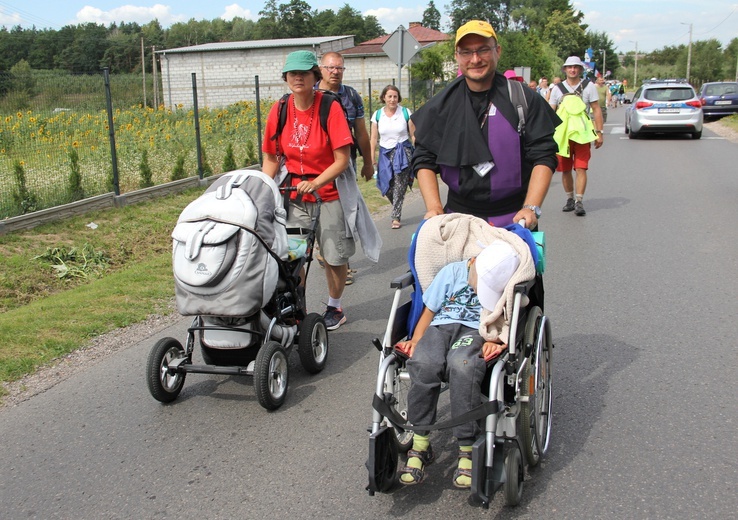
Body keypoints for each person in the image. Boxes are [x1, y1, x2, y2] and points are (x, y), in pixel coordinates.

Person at [262, 50, 379, 330]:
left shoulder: (330, 107)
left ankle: (335, 307)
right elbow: (271, 158)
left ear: (315, 76)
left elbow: (341, 160)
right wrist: (264, 190)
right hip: (294, 195)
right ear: (286, 78)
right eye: (292, 73)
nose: (298, 78)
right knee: (293, 255)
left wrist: (316, 182)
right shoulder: (279, 109)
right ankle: (296, 306)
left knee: (333, 257)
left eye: (303, 73)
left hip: (329, 193)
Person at [411, 19, 561, 231]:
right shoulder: (441, 105)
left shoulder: (523, 98)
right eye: (466, 52)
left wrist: (530, 207)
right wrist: (434, 208)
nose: (475, 59)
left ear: (497, 51)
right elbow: (424, 158)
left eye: (483, 50)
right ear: (457, 56)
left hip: (515, 220)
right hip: (457, 221)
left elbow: (544, 155)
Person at [395, 240, 520, 487]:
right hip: (440, 327)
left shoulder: (505, 280)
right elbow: (430, 310)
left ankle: (466, 447)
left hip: (474, 332)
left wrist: (497, 341)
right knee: (424, 362)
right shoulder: (452, 271)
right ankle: (419, 444)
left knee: (463, 366)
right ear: (474, 262)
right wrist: (416, 339)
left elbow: (504, 320)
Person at [317, 51, 373, 285]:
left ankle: (342, 262)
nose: (335, 72)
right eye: (330, 68)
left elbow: (360, 132)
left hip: (344, 166)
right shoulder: (312, 94)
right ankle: (326, 251)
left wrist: (368, 162)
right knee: (318, 211)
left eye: (339, 68)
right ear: (321, 69)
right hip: (317, 165)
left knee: (344, 210)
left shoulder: (351, 96)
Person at [548, 56, 604, 217]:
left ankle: (579, 201)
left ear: (580, 69)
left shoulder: (589, 87)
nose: (572, 70)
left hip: (582, 135)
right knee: (565, 169)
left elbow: (596, 109)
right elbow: (550, 111)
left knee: (581, 167)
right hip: (563, 135)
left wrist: (599, 132)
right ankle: (569, 199)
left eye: (576, 67)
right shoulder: (557, 89)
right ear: (565, 69)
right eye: (569, 67)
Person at [370, 85, 416, 229]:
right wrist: (371, 156)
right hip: (384, 153)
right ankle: (397, 203)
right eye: (389, 96)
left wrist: (418, 152)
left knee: (399, 184)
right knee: (387, 186)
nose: (392, 99)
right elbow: (373, 138)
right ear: (384, 97)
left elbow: (413, 134)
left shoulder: (405, 112)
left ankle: (396, 216)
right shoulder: (377, 115)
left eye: (395, 96)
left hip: (403, 151)